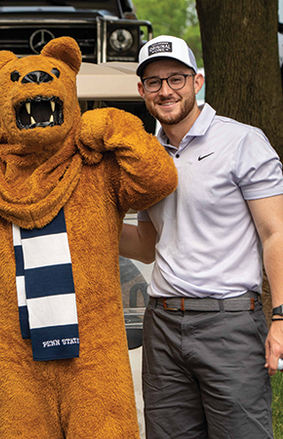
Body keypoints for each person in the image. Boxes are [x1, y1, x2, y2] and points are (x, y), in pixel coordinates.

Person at [121, 35, 283, 439]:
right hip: (161, 324)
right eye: (154, 82)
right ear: (141, 91)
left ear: (198, 82)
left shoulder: (242, 141)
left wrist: (280, 317)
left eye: (176, 78)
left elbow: (275, 233)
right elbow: (145, 244)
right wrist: (81, 225)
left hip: (229, 324)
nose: (166, 90)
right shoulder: (146, 157)